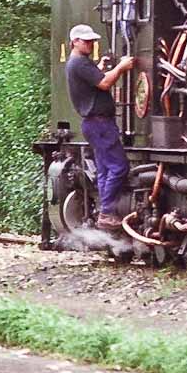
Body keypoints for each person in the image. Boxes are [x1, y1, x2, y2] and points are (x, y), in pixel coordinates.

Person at [64, 23, 135, 229]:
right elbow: (104, 84)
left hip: (94, 124)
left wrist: (102, 68)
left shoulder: (79, 63)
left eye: (92, 41)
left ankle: (105, 212)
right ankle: (106, 213)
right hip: (100, 123)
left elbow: (94, 80)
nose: (90, 44)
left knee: (104, 171)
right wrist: (120, 68)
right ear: (75, 42)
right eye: (86, 41)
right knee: (119, 167)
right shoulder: (80, 63)